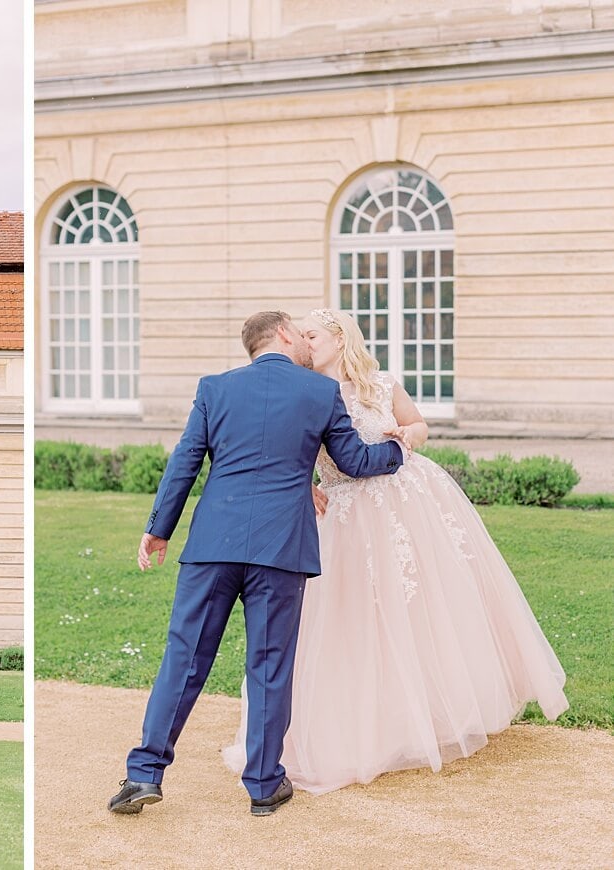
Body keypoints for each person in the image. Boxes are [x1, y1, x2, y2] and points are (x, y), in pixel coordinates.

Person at [221, 308, 569, 795]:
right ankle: (359, 729)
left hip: (405, 504)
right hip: (342, 513)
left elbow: (419, 424)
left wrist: (410, 435)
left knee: (419, 609)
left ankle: (424, 716)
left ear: (340, 338)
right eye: (299, 336)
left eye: (313, 334)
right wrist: (303, 484)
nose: (304, 343)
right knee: (351, 619)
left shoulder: (380, 385)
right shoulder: (303, 393)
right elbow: (281, 449)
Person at [107, 311, 406, 817]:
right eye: (301, 332)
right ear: (284, 335)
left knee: (184, 659)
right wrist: (396, 451)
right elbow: (355, 461)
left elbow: (185, 461)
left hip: (212, 545)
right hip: (281, 549)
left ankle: (143, 775)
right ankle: (265, 786)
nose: (309, 343)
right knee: (270, 665)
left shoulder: (215, 388)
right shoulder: (318, 393)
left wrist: (158, 529)